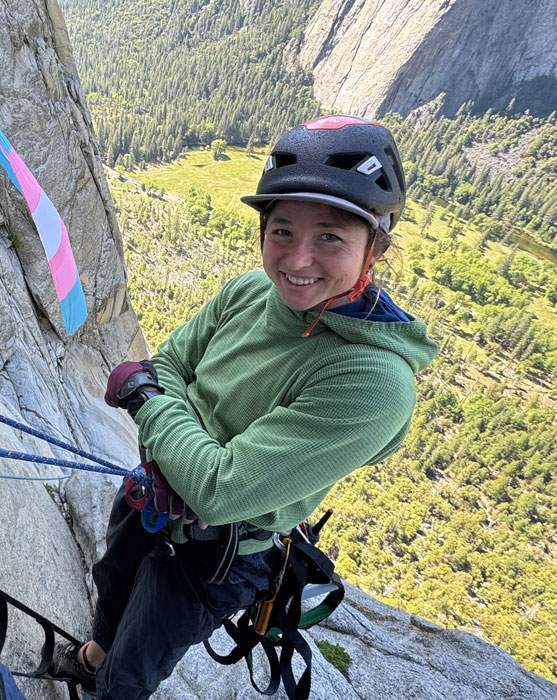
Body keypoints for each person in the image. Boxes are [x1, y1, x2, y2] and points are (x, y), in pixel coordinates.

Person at [55, 115, 437, 699]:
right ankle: (91, 657)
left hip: (222, 552)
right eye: (282, 230)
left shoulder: (374, 381)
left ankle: (107, 682)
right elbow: (172, 368)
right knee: (113, 584)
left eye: (330, 236)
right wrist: (180, 446)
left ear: (374, 246)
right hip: (151, 493)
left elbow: (218, 489)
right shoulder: (249, 292)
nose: (298, 259)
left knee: (136, 664)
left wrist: (150, 407)